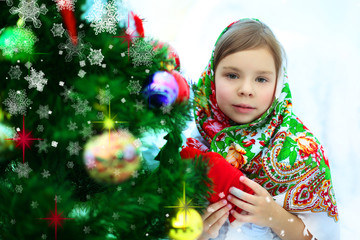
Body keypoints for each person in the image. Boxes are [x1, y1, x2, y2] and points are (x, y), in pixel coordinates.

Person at [183, 18, 339, 240]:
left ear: (279, 84)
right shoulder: (195, 141)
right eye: (232, 75)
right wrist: (197, 233)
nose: (246, 89)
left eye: (261, 79)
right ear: (212, 76)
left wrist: (273, 215)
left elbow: (322, 236)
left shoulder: (300, 151)